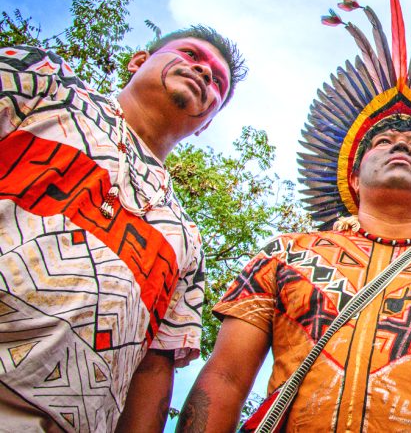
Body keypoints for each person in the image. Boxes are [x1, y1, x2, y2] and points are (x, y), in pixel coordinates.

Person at [178, 0, 411, 433]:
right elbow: (225, 376)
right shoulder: (285, 255)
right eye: (381, 142)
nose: (400, 143)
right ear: (353, 177)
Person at [0, 26, 246, 432]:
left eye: (217, 81)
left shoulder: (185, 239)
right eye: (191, 55)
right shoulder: (46, 86)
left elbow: (152, 369)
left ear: (207, 124)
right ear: (137, 62)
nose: (204, 73)